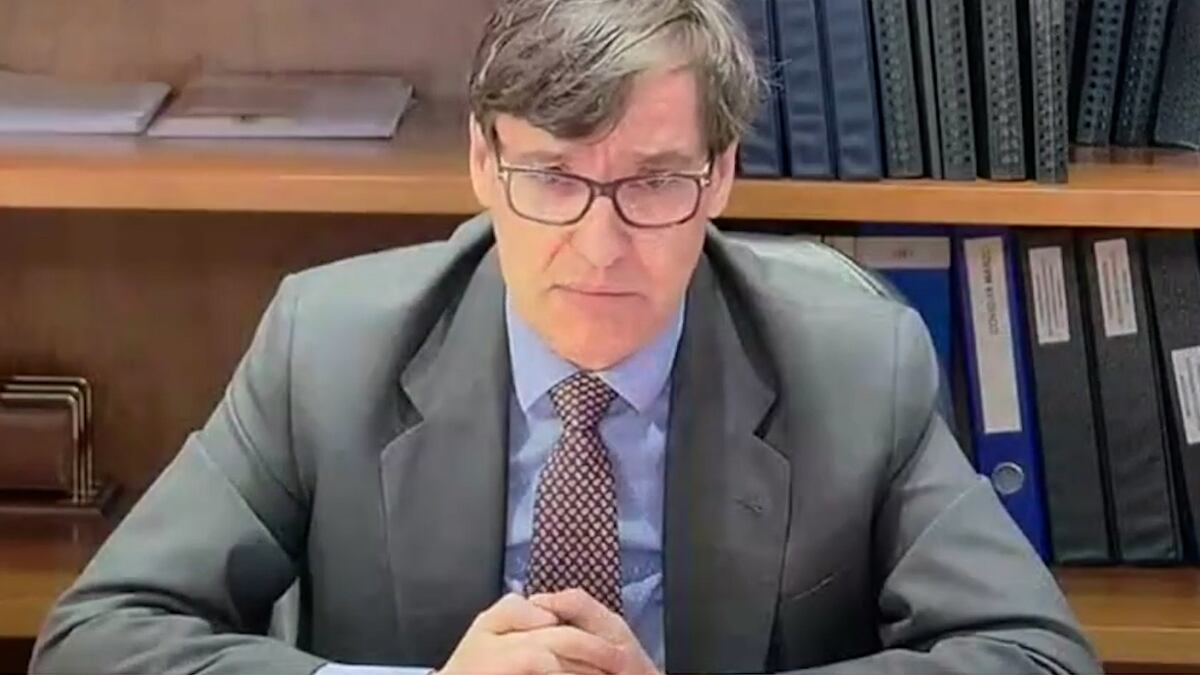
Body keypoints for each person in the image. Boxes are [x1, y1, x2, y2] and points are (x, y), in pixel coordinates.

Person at [31, 0, 1100, 673]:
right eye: (550, 177)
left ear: (721, 176)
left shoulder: (854, 359)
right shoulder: (328, 347)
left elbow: (1035, 654)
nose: (598, 248)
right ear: (482, 163)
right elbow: (96, 639)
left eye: (654, 183)